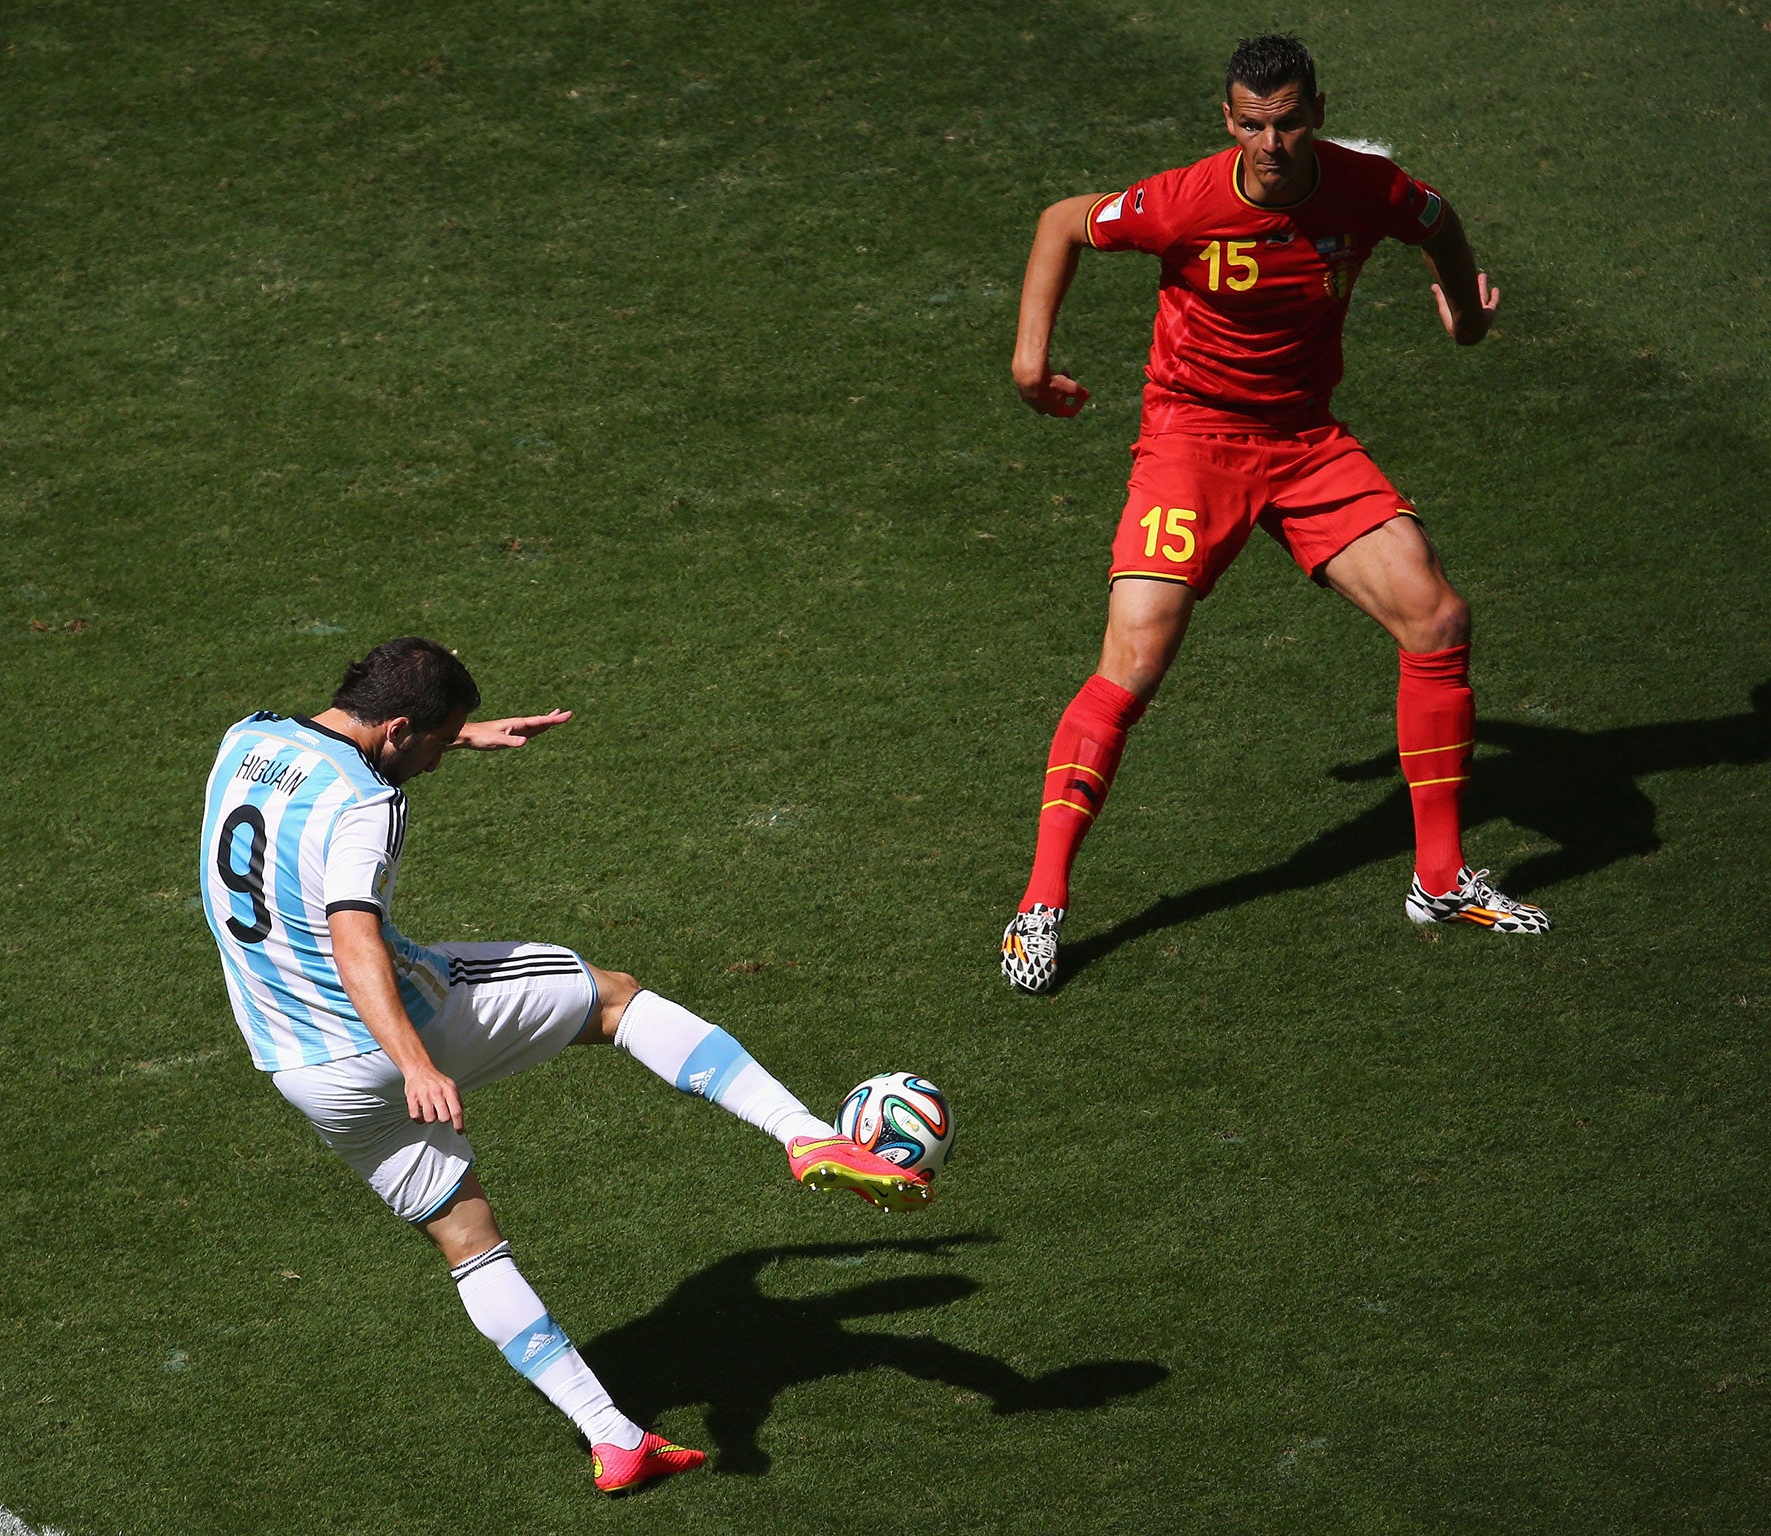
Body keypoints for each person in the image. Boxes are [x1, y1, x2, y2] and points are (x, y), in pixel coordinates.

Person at [199, 637, 928, 1494]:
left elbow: (346, 757)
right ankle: (805, 1134)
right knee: (613, 998)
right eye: (434, 743)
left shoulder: (244, 739)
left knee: (465, 1239)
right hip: (393, 1030)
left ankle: (614, 1437)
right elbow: (351, 933)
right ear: (397, 730)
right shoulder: (372, 806)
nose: (436, 761)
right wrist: (418, 1063)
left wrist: (460, 734)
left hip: (301, 1068)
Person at [999, 33, 1550, 994]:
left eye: (1288, 121)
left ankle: (1439, 880)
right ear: (1228, 121)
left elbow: (1440, 223)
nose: (1271, 142)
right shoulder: (1181, 201)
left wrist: (1464, 312)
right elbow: (1059, 223)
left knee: (1438, 618)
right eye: (1253, 124)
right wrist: (1028, 361)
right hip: (1191, 445)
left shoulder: (1365, 188)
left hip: (1306, 445)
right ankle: (1039, 906)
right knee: (1133, 663)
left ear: (1317, 114)